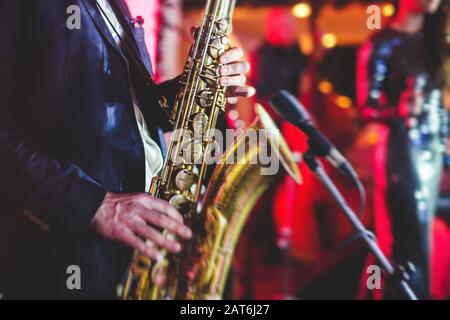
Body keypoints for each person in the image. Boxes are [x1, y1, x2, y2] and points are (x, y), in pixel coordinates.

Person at [0, 0, 254, 299]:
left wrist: (200, 85)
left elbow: (130, 113)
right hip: (64, 257)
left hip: (131, 248)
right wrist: (95, 205)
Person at [357, 0, 449, 298]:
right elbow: (366, 107)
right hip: (400, 152)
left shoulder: (436, 41)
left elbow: (439, 105)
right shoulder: (382, 43)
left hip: (433, 152)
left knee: (424, 239)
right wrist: (400, 108)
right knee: (404, 240)